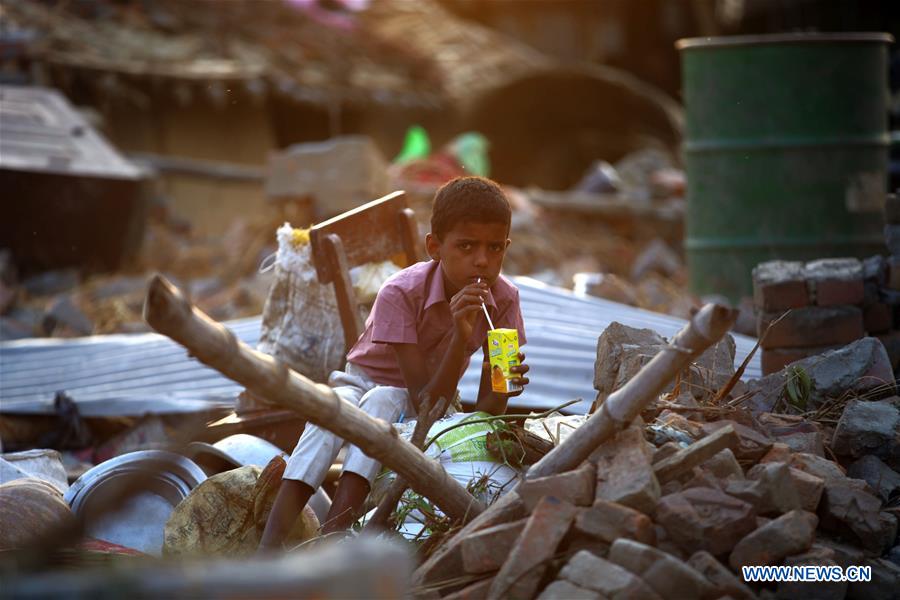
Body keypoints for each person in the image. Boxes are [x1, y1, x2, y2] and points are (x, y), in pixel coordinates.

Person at [258, 176, 530, 550]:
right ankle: (268, 546)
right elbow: (421, 394)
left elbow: (481, 410)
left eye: (495, 248)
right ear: (434, 247)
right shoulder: (400, 291)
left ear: (506, 248)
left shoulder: (504, 300)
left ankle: (334, 537)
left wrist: (504, 381)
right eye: (466, 246)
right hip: (366, 381)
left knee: (383, 401)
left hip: (423, 399)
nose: (482, 260)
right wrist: (458, 333)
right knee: (328, 413)